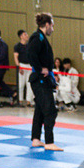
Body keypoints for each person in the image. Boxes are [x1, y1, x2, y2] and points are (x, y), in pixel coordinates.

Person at [27, 13, 60, 151]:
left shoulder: (41, 38)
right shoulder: (37, 37)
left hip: (42, 79)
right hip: (39, 79)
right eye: (52, 26)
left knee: (40, 110)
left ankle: (36, 139)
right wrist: (40, 69)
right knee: (50, 111)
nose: (52, 28)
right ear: (46, 25)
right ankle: (49, 142)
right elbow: (31, 55)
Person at [14, 29, 32, 107]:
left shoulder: (30, 45)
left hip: (29, 66)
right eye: (25, 34)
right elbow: (15, 57)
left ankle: (29, 101)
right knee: (21, 84)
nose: (27, 36)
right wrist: (19, 66)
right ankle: (20, 100)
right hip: (22, 65)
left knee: (29, 84)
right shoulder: (17, 46)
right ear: (21, 36)